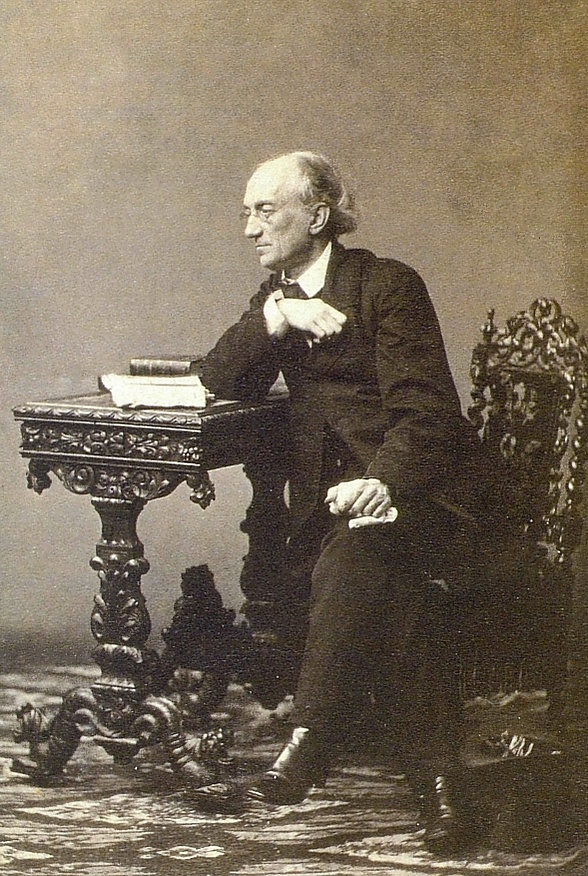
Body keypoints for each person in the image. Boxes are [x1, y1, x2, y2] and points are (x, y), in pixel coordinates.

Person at [197, 151, 498, 853]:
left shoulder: (387, 285)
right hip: (323, 508)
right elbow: (219, 377)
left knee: (367, 553)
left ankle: (312, 737)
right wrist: (277, 317)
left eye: (265, 210)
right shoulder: (276, 296)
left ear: (317, 215)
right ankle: (439, 786)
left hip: (425, 492)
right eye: (246, 213)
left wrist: (384, 482)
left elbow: (428, 413)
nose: (249, 229)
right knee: (382, 572)